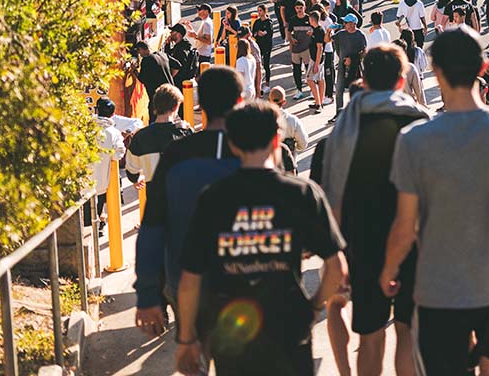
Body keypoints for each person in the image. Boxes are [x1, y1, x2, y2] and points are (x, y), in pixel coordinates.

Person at [379, 28, 489, 376]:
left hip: (438, 291)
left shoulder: (414, 141)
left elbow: (405, 226)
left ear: (436, 72)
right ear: (485, 66)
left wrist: (388, 271)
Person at [174, 100, 348, 376]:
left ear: (233, 144)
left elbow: (189, 280)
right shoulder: (303, 193)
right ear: (277, 140)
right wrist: (313, 306)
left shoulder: (213, 198)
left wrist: (186, 338)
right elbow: (336, 267)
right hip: (289, 326)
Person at [321, 45, 430, 376]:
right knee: (408, 333)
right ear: (401, 81)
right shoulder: (421, 124)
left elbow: (329, 195)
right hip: (414, 241)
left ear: (363, 79)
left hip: (360, 243)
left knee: (370, 336)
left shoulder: (342, 131)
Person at [134, 66, 244, 338]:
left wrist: (148, 294)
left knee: (196, 347)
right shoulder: (254, 148)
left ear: (199, 104)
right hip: (244, 277)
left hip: (183, 275)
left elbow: (152, 226)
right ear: (240, 101)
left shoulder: (177, 154)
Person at [126, 85, 193, 186]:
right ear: (175, 107)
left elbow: (131, 171)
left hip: (156, 195)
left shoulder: (140, 137)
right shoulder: (185, 132)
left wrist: (137, 179)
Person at [91, 97, 127, 233]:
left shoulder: (85, 129)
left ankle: (96, 224)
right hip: (101, 181)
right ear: (113, 114)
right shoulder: (114, 133)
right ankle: (98, 224)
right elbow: (118, 154)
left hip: (83, 182)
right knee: (98, 205)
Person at [333, 15, 368, 116]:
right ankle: (339, 113)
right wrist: (328, 31)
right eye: (345, 22)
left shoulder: (360, 35)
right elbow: (328, 40)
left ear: (353, 24)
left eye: (347, 22)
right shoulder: (341, 34)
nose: (345, 24)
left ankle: (356, 113)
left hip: (355, 68)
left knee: (355, 91)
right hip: (342, 67)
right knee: (339, 90)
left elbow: (364, 52)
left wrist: (352, 59)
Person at [252, 4, 275, 91]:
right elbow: (253, 32)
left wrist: (264, 33)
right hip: (258, 45)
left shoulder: (269, 22)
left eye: (260, 11)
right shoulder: (257, 22)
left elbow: (270, 34)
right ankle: (257, 82)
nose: (259, 12)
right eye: (258, 11)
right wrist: (257, 33)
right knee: (257, 63)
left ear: (265, 11)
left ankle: (267, 84)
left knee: (266, 64)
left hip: (267, 45)